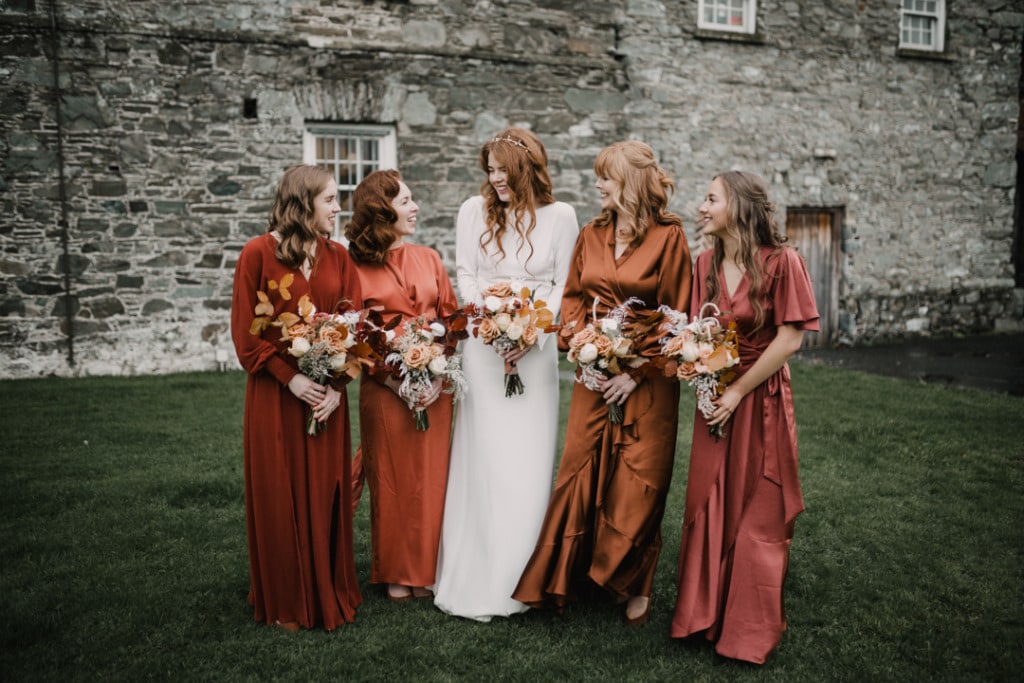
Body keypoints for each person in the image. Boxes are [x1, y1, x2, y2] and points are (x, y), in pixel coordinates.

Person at [513, 140, 692, 625]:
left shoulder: (670, 238)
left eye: (606, 177)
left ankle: (632, 580)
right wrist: (581, 345)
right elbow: (572, 299)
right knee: (580, 471)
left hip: (648, 383)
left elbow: (679, 317)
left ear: (631, 183)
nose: (597, 184)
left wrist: (635, 373)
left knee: (638, 483)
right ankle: (566, 576)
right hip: (594, 378)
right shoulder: (591, 234)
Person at [669, 171, 819, 664]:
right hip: (715, 397)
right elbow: (701, 332)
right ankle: (703, 616)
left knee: (756, 505)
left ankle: (746, 630)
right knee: (709, 499)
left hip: (760, 400)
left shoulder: (782, 262)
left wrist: (736, 392)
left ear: (738, 206)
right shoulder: (705, 263)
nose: (701, 206)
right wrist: (703, 379)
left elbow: (791, 338)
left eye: (710, 199)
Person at [432, 128, 579, 621]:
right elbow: (467, 274)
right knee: (486, 457)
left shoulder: (561, 217)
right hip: (483, 346)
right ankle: (478, 574)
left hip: (536, 353)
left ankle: (524, 575)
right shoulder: (472, 213)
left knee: (528, 459)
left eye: (503, 170)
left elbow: (563, 283)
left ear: (527, 169)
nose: (494, 179)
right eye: (489, 169)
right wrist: (493, 327)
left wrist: (529, 333)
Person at [230, 164, 363, 630]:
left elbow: (355, 326)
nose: (337, 208)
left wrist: (336, 388)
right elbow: (247, 337)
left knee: (325, 493)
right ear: (303, 204)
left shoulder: (339, 257)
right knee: (279, 492)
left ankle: (327, 586)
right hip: (276, 398)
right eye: (330, 199)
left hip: (326, 399)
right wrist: (291, 379)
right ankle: (286, 595)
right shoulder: (256, 255)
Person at [344, 169, 458, 602]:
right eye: (406, 200)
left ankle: (426, 570)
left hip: (436, 389)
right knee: (391, 480)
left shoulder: (428, 257)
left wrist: (437, 371)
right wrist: (397, 382)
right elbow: (354, 332)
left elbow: (450, 319)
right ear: (381, 210)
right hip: (386, 389)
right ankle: (395, 571)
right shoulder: (352, 266)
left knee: (430, 481)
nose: (415, 207)